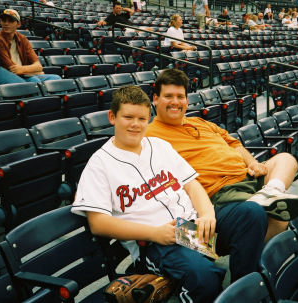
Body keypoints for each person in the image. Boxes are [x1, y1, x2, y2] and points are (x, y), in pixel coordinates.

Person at [71, 84, 268, 302]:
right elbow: (98, 223)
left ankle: (242, 295)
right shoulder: (99, 164)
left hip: (191, 229)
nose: (135, 124)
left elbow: (192, 185)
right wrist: (154, 234)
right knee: (204, 278)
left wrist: (208, 214)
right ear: (112, 117)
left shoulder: (159, 145)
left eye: (142, 119)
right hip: (154, 242)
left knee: (252, 213)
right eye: (128, 117)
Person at [145, 69, 298, 242]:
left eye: (180, 96)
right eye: (168, 96)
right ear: (155, 99)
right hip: (221, 190)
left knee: (286, 159)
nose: (175, 102)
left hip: (247, 175)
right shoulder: (148, 135)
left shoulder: (198, 122)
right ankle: (253, 256)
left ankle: (269, 192)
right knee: (279, 218)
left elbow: (233, 143)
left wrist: (252, 163)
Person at [0, 9, 61, 83]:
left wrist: (23, 70)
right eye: (3, 20)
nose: (6, 23)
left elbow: (38, 66)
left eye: (10, 21)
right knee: (34, 80)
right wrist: (33, 71)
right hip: (9, 76)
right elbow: (11, 69)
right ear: (0, 22)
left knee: (56, 78)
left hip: (24, 74)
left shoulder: (22, 38)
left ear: (18, 24)